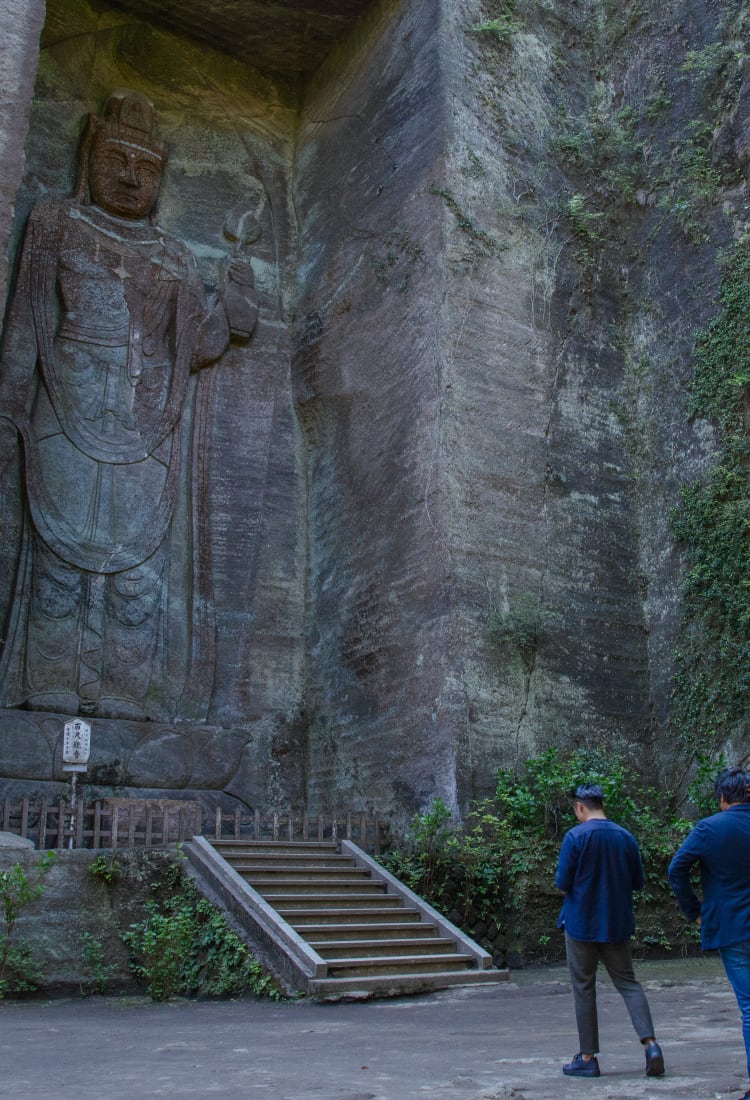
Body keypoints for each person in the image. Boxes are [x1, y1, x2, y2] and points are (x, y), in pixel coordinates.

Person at [0, 89, 257, 721]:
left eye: (146, 168)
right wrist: (9, 403)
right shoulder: (57, 224)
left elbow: (190, 347)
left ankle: (125, 700)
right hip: (65, 406)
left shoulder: (172, 254)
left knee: (138, 578)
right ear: (90, 153)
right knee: (58, 561)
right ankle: (47, 691)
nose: (129, 177)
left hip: (146, 427)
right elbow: (28, 324)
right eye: (116, 158)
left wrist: (233, 308)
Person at [554, 783, 664, 1078]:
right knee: (628, 983)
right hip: (616, 924)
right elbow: (638, 882)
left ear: (580, 807)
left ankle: (588, 1058)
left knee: (583, 987)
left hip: (581, 925)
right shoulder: (625, 837)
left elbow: (562, 881)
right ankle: (651, 1045)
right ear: (601, 804)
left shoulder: (575, 837)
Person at [669, 766, 750, 1100]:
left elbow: (677, 870)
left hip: (732, 928)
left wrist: (696, 912)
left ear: (722, 798)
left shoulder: (709, 829)